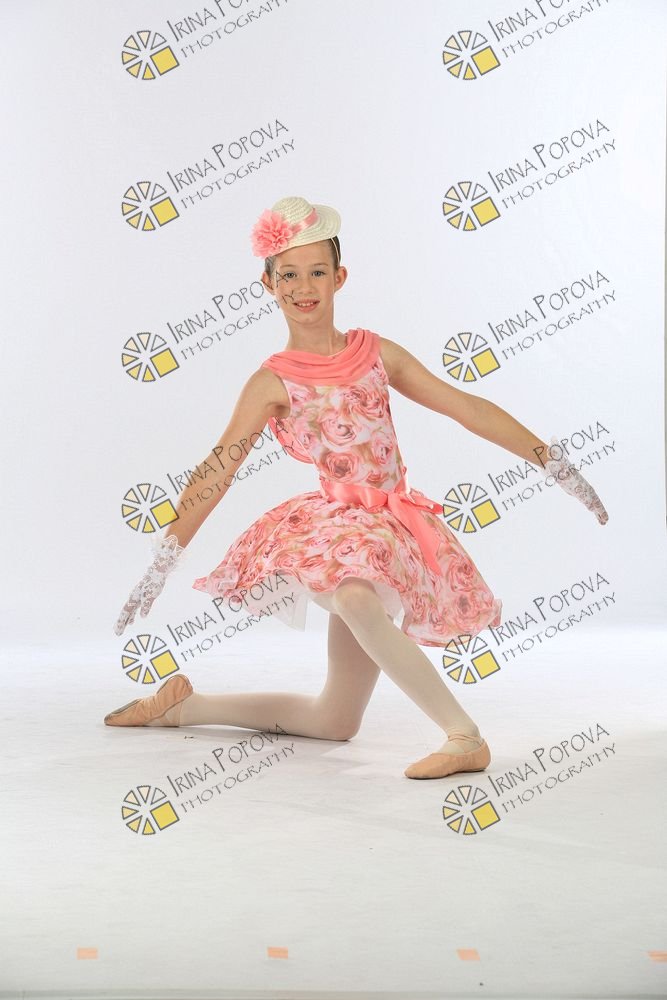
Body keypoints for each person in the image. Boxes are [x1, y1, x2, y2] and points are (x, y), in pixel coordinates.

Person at [104, 196, 609, 780]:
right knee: (353, 600)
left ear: (339, 277)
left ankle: (184, 709)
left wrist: (553, 463)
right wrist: (162, 560)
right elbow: (216, 471)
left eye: (317, 272)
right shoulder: (271, 382)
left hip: (392, 524)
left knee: (335, 719)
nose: (304, 287)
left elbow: (464, 407)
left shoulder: (376, 354)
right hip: (337, 528)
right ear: (268, 284)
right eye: (288, 275)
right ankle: (464, 735)